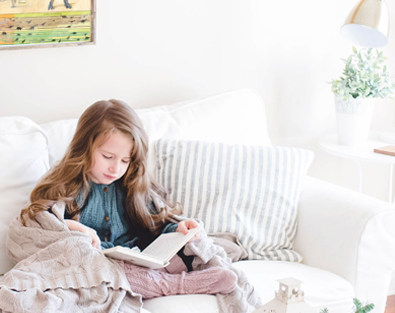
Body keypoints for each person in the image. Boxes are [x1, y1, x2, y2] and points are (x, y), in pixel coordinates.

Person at [20, 99, 237, 298]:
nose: (116, 168)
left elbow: (155, 224)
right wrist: (71, 227)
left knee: (180, 253)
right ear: (84, 147)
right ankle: (176, 285)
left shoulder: (132, 183)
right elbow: (38, 228)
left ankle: (169, 277)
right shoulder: (65, 183)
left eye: (125, 160)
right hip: (97, 263)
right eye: (108, 157)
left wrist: (179, 230)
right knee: (105, 272)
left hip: (137, 256)